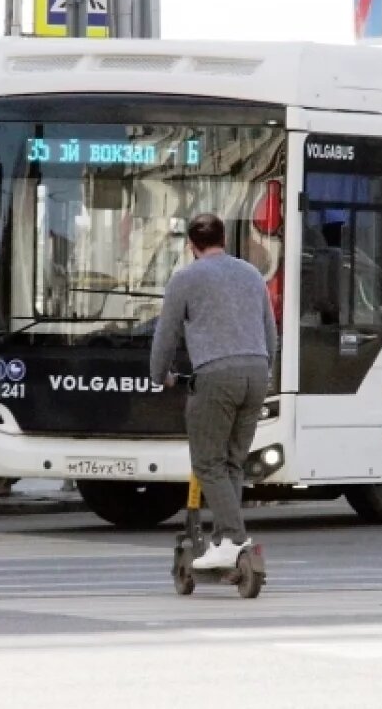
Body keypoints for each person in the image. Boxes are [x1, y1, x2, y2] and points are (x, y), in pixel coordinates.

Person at [150, 213, 277, 570]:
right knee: (232, 462)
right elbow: (270, 333)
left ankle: (236, 540)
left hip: (216, 375)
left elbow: (166, 336)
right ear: (224, 239)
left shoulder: (185, 279)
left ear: (191, 246)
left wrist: (160, 376)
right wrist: (266, 372)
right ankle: (223, 541)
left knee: (207, 462)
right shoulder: (252, 275)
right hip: (256, 372)